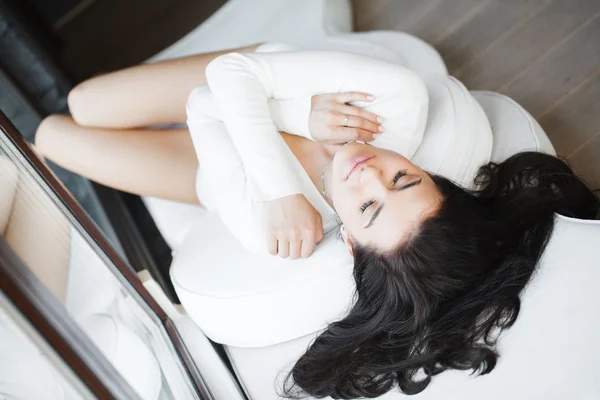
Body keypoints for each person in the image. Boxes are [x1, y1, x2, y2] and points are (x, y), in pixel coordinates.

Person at [35, 43, 600, 398]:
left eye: (371, 207)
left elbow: (206, 113)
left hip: (213, 164)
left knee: (48, 137)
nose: (368, 173)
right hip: (265, 73)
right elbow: (223, 81)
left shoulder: (275, 223)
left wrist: (282, 180)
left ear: (350, 243)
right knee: (86, 103)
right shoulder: (395, 105)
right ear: (435, 177)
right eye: (406, 180)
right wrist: (298, 112)